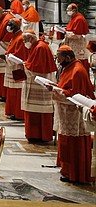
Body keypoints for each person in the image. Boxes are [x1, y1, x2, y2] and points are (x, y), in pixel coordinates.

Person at [51, 45, 95, 184]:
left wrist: (58, 91)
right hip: (66, 113)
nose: (58, 62)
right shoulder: (69, 67)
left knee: (73, 145)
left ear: (68, 57)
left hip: (74, 115)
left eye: (60, 58)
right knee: (65, 143)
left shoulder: (77, 71)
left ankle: (75, 173)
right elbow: (65, 87)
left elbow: (75, 94)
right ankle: (67, 170)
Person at [20, 31, 56, 142]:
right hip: (36, 82)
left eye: (25, 40)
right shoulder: (37, 46)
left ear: (31, 39)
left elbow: (36, 67)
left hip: (40, 83)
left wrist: (24, 65)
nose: (25, 42)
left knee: (39, 110)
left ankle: (39, 135)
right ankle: (34, 134)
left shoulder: (40, 47)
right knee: (34, 110)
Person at [3, 19, 26, 120]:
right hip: (11, 65)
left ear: (17, 26)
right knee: (12, 91)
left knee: (16, 91)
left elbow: (19, 54)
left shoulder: (20, 38)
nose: (8, 26)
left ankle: (18, 113)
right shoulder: (15, 36)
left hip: (16, 66)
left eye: (10, 25)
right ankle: (12, 111)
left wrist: (7, 57)